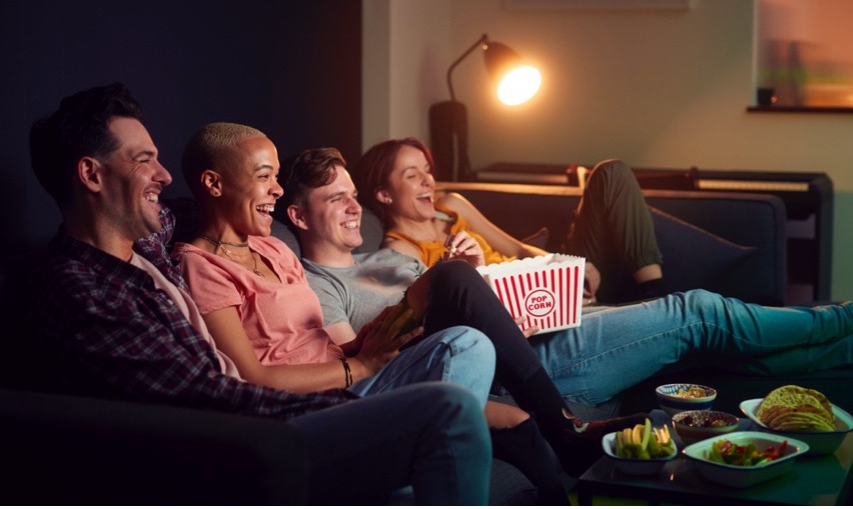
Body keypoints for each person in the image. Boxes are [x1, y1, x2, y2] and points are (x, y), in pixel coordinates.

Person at [26, 83, 493, 505]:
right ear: (91, 175)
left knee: (464, 350)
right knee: (444, 408)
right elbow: (210, 397)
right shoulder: (83, 291)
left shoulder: (145, 241)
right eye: (143, 160)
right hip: (243, 442)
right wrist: (357, 394)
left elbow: (204, 207)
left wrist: (250, 199)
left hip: (283, 410)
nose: (164, 175)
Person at [175, 123, 645, 492]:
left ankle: (556, 439)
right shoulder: (201, 266)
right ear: (214, 183)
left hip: (354, 371)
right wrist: (358, 365)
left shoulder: (275, 250)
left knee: (467, 328)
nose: (276, 190)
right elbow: (252, 376)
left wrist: (372, 341)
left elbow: (322, 342)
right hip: (322, 403)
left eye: (277, 177)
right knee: (456, 295)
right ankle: (561, 430)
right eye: (264, 177)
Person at [283, 145, 853, 415]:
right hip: (525, 364)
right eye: (336, 197)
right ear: (297, 215)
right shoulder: (326, 283)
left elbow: (504, 264)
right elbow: (362, 365)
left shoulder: (387, 258)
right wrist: (454, 287)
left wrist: (498, 270)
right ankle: (848, 318)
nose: (350, 208)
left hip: (544, 324)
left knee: (701, 344)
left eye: (348, 196)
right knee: (694, 312)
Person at [357, 137, 664, 304]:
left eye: (427, 169)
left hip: (558, 282)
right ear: (384, 194)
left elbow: (517, 251)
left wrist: (567, 267)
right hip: (529, 306)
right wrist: (555, 294)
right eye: (412, 175)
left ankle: (653, 292)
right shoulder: (400, 251)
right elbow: (455, 308)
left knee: (611, 173)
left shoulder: (452, 206)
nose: (428, 181)